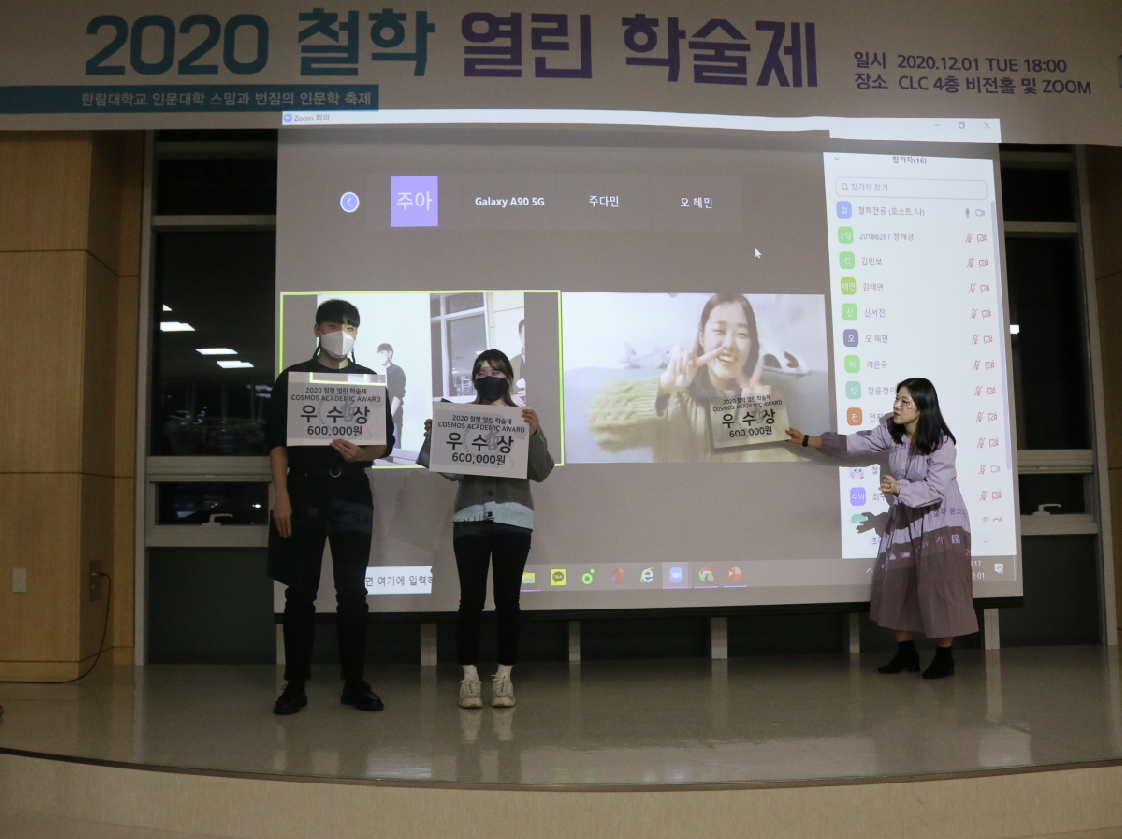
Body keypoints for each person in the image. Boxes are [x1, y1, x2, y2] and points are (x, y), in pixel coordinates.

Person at [784, 378, 977, 679]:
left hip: (939, 520)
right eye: (897, 399)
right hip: (905, 517)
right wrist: (808, 440)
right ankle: (906, 652)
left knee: (939, 584)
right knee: (897, 582)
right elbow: (854, 443)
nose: (897, 406)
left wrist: (900, 488)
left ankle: (944, 656)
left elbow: (936, 489)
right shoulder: (892, 432)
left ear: (922, 408)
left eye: (905, 401)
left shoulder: (942, 443)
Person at [267, 299, 395, 715]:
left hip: (352, 493)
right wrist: (281, 496)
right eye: (334, 325)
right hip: (302, 492)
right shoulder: (293, 378)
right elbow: (276, 442)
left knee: (353, 592)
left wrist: (361, 454)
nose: (342, 333)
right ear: (318, 329)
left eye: (350, 327)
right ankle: (294, 684)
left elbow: (384, 443)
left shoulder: (369, 380)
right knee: (300, 592)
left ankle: (354, 682)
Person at [420, 349, 554, 709]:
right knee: (470, 600)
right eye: (481, 372)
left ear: (508, 378)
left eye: (495, 371)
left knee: (508, 601)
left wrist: (534, 433)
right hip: (470, 519)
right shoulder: (461, 416)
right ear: (474, 380)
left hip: (514, 518)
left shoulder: (522, 418)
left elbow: (541, 471)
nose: (488, 377)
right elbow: (447, 470)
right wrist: (435, 437)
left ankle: (504, 676)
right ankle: (469, 678)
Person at [586, 293, 806, 463]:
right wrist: (663, 386)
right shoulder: (674, 397)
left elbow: (779, 481)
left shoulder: (765, 398)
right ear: (701, 335)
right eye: (719, 331)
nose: (729, 344)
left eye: (741, 334)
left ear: (751, 345)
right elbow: (602, 429)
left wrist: (760, 424)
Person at [377, 343, 407, 450]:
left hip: (393, 416)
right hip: (379, 416)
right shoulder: (377, 372)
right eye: (378, 353)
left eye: (382, 352)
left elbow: (398, 395)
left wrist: (388, 416)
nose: (380, 356)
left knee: (393, 447)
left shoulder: (396, 370)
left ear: (390, 353)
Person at [509, 319, 527, 398]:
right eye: (525, 335)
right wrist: (512, 397)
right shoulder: (511, 363)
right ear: (520, 337)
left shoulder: (548, 362)